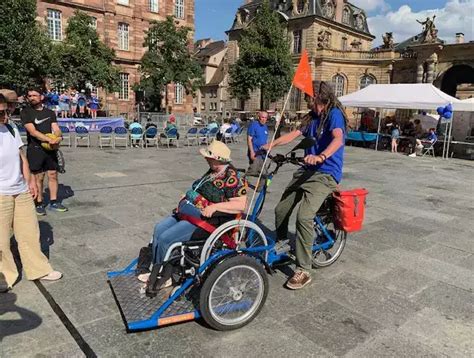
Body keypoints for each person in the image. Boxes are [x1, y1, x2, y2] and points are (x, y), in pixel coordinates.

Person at [262, 81, 346, 290]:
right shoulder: (312, 118)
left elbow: (338, 138)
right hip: (306, 171)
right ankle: (282, 242)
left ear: (319, 97)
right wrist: (271, 144)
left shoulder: (333, 114)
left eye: (309, 97)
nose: (307, 100)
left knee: (304, 216)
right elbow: (295, 134)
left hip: (325, 173)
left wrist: (321, 156)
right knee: (281, 209)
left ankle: (304, 269)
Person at [136, 141, 248, 285]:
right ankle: (158, 269)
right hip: (193, 211)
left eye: (209, 157)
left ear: (218, 159)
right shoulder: (213, 171)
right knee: (159, 228)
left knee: (166, 238)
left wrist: (214, 207)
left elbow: (241, 205)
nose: (206, 159)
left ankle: (166, 276)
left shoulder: (234, 177)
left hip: (209, 221)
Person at [0, 94, 62, 292]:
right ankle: (5, 276)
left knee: (29, 233)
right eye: (2, 112)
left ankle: (38, 269)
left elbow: (21, 157)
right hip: (1, 192)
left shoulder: (10, 128)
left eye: (8, 110)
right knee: (1, 239)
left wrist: (30, 182)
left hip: (20, 189)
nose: (6, 115)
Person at [20, 87, 68, 215]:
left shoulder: (49, 113)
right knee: (39, 177)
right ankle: (39, 203)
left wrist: (58, 137)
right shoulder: (26, 112)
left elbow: (56, 128)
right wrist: (49, 139)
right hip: (35, 149)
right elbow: (33, 132)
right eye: (29, 96)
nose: (31, 98)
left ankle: (54, 201)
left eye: (34, 95)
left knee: (53, 174)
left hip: (50, 150)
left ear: (41, 97)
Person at [246, 111, 269, 176]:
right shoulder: (253, 125)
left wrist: (267, 148)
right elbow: (249, 139)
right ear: (259, 117)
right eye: (262, 117)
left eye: (265, 118)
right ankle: (244, 183)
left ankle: (260, 186)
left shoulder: (265, 127)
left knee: (263, 174)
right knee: (252, 172)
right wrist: (252, 152)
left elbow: (265, 139)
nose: (264, 119)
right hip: (255, 153)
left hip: (263, 153)